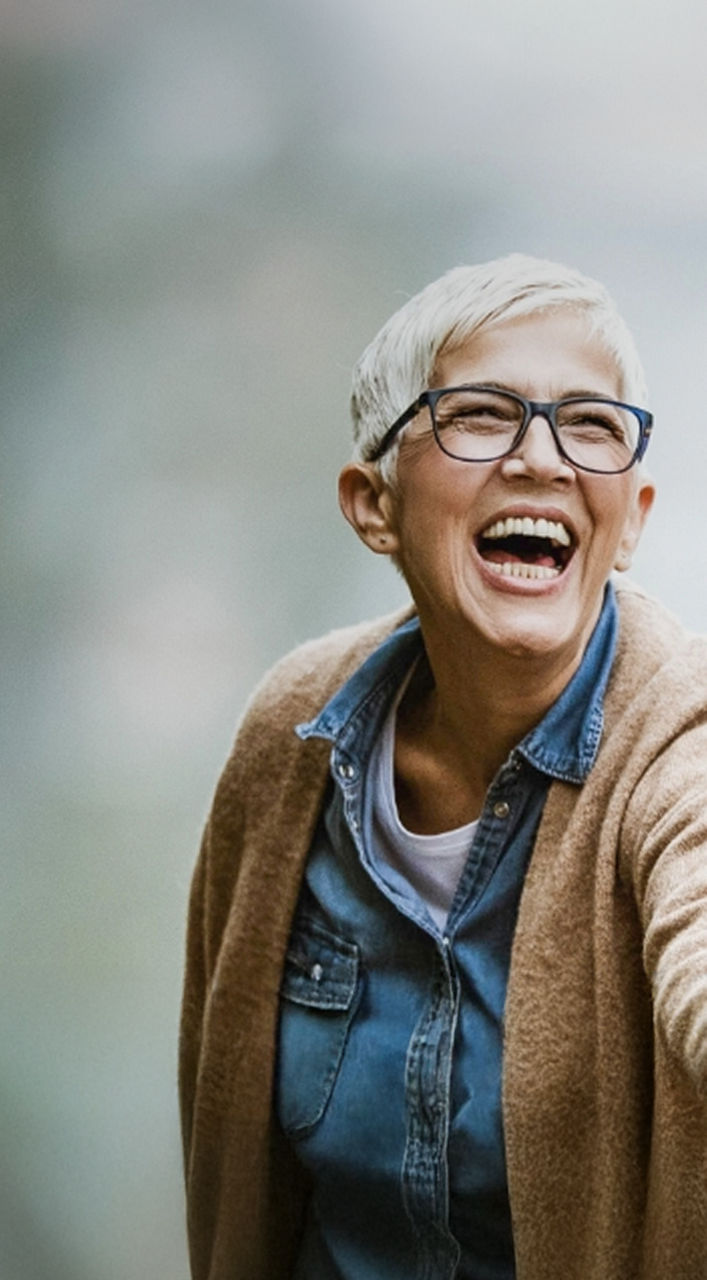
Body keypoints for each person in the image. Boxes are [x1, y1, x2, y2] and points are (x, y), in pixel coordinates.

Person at [179, 253, 707, 1280]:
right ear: (370, 502)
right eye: (478, 414)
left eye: (590, 424)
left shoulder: (678, 740)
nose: (541, 460)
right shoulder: (290, 735)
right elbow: (224, 1138)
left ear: (633, 515)